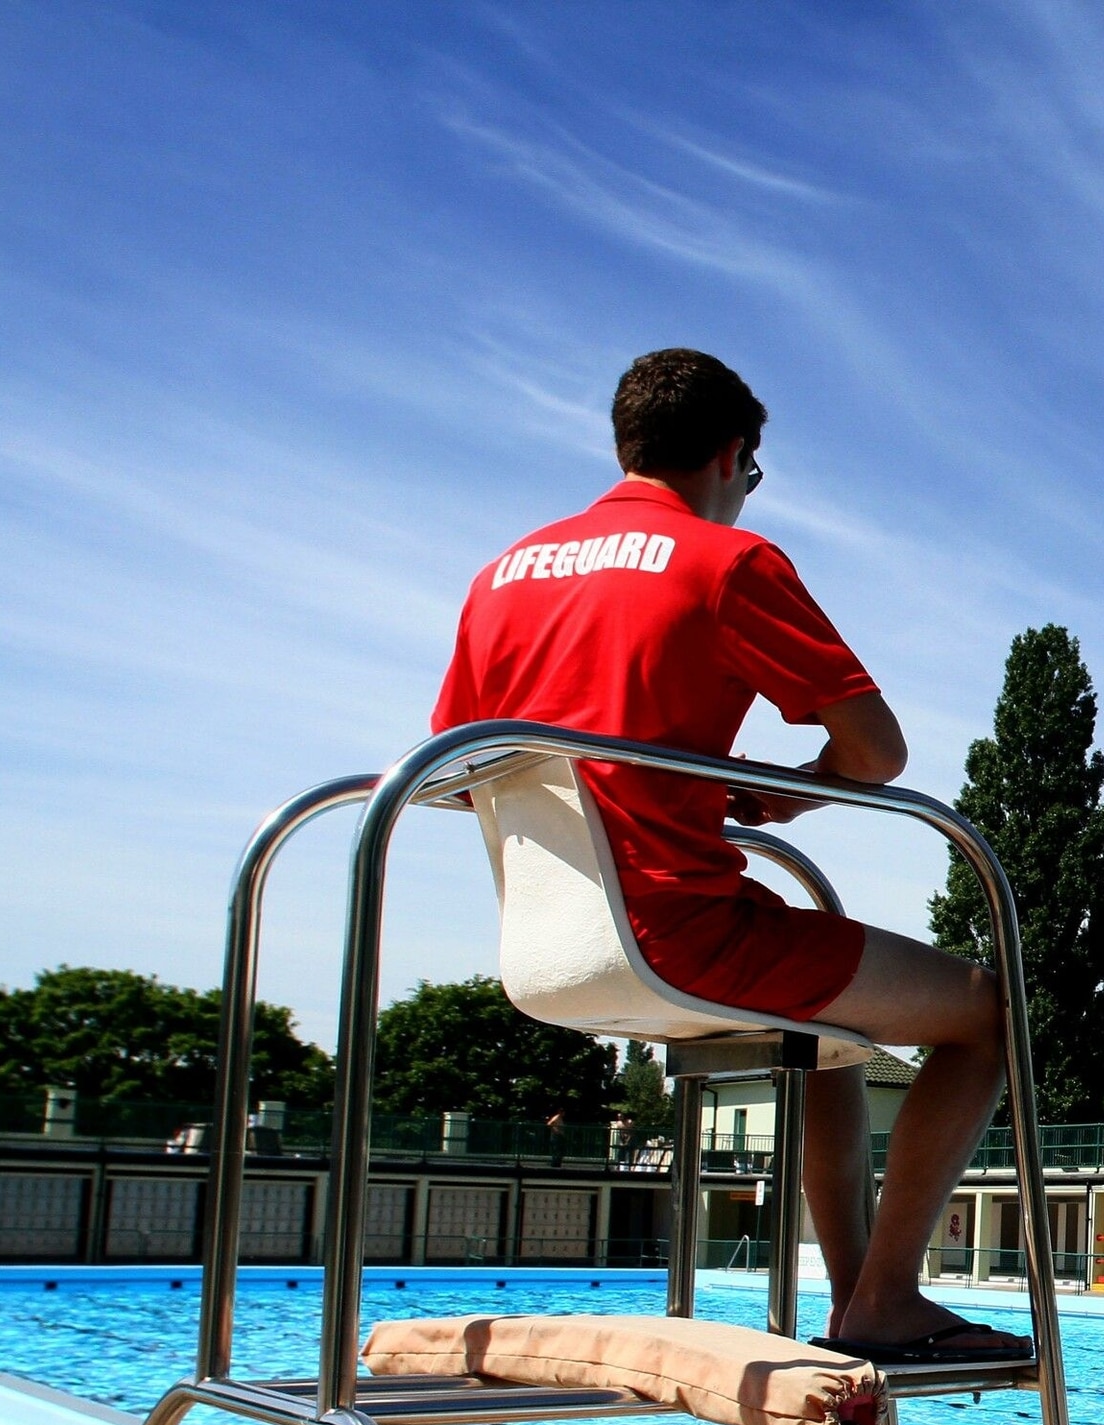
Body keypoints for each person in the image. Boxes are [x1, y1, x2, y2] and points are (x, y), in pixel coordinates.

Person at [435, 348, 1017, 1363]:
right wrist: (786, 791)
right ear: (732, 454)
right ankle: (881, 1294)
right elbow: (877, 752)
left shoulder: (500, 576)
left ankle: (854, 1299)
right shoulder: (727, 561)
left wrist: (668, 783)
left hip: (543, 957)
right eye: (751, 474)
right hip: (686, 935)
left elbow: (458, 771)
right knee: (987, 1009)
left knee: (831, 1035)